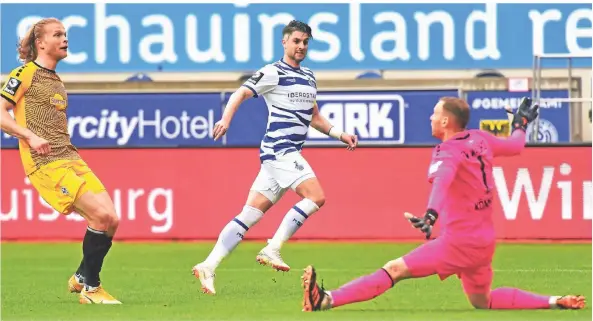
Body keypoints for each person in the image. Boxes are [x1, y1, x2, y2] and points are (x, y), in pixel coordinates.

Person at [301, 97, 586, 311]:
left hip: (459, 243)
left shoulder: (447, 151)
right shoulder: (481, 139)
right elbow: (516, 146)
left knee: (395, 269)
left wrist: (430, 214)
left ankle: (326, 300)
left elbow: (443, 181)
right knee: (482, 302)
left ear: (446, 122)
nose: (431, 117)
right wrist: (521, 125)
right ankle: (554, 301)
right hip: (484, 242)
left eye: (435, 114)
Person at [192, 20, 358, 295]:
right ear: (285, 42)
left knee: (248, 215)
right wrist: (225, 119)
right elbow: (241, 92)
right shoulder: (273, 72)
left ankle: (208, 265)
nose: (301, 46)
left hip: (282, 156)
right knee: (316, 197)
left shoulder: (309, 77)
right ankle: (273, 247)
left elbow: (314, 117)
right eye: (296, 41)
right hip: (280, 150)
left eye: (305, 42)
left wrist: (340, 134)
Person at [0, 18, 121, 304]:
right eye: (58, 35)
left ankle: (81, 276)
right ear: (40, 43)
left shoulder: (55, 79)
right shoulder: (24, 73)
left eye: (65, 34)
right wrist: (29, 136)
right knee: (100, 217)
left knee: (112, 220)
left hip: (70, 156)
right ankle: (92, 290)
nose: (65, 39)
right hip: (46, 163)